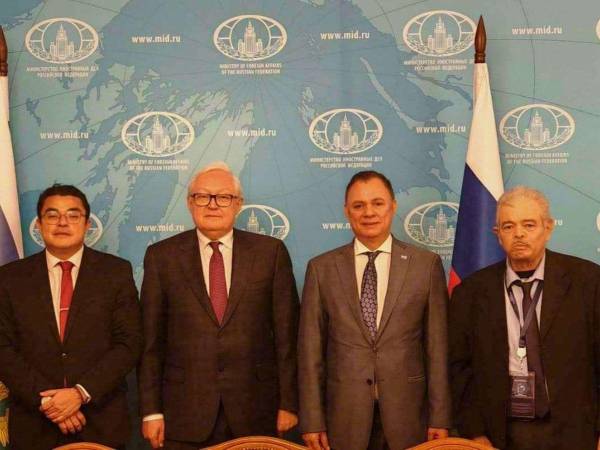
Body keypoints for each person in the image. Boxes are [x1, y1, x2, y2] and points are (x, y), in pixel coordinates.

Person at [138, 162, 300, 449]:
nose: (212, 204)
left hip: (256, 409)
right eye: (203, 196)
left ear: (238, 204)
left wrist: (289, 403)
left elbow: (287, 337)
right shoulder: (162, 257)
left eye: (223, 197)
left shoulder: (269, 253)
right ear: (190, 203)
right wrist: (152, 411)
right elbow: (151, 343)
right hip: (184, 414)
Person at [298, 170, 451, 450]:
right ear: (347, 211)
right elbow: (310, 353)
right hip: (344, 417)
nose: (369, 212)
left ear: (393, 206)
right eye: (359, 205)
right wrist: (311, 419)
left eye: (377, 203)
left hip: (409, 415)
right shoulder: (322, 269)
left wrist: (440, 417)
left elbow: (437, 349)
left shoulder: (425, 266)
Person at [449, 186, 600, 450]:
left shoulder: (588, 281)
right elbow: (459, 369)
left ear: (548, 228)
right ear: (497, 235)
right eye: (508, 226)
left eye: (529, 224)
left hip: (575, 432)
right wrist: (475, 433)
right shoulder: (470, 292)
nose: (518, 233)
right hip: (500, 435)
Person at [0, 184, 142, 450]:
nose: (62, 222)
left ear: (87, 223)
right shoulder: (9, 278)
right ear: (40, 225)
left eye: (73, 215)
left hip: (101, 421)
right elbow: (3, 349)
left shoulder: (115, 273)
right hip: (34, 424)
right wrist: (50, 404)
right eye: (52, 215)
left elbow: (129, 343)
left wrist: (80, 394)